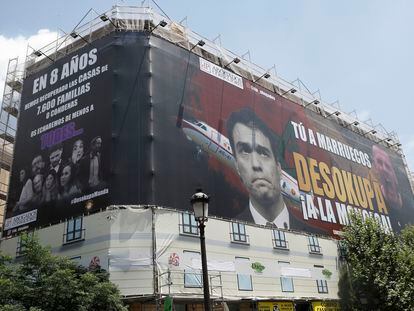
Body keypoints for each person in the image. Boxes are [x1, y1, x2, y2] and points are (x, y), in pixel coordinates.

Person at [227, 107, 289, 228]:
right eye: (245, 151)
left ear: (278, 168)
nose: (255, 164)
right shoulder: (230, 229)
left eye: (263, 153)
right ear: (237, 167)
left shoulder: (317, 234)